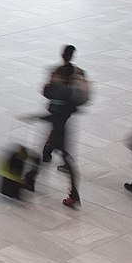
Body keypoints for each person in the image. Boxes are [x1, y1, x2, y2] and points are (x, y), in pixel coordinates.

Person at [37, 45, 87, 208]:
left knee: (59, 155)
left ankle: (74, 194)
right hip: (62, 122)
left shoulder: (61, 77)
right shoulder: (76, 74)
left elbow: (48, 94)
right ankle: (30, 179)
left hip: (58, 125)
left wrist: (51, 83)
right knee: (49, 152)